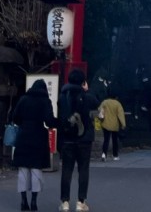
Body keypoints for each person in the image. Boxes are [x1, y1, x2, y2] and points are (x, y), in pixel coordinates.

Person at [11, 78, 58, 211]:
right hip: (38, 137)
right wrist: (61, 123)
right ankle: (34, 201)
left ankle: (23, 200)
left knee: (23, 170)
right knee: (36, 170)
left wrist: (24, 124)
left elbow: (15, 117)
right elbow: (49, 121)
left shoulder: (23, 99)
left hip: (23, 135)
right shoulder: (45, 101)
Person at [58, 68, 100, 212]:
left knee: (67, 170)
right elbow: (97, 108)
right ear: (83, 82)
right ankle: (81, 202)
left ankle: (64, 202)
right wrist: (87, 90)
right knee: (83, 169)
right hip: (84, 139)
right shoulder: (87, 96)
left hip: (67, 138)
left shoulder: (63, 96)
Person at [98, 89, 127, 161]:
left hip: (105, 123)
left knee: (106, 140)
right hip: (115, 124)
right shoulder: (117, 104)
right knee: (115, 141)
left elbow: (99, 109)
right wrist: (123, 124)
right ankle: (115, 155)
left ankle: (104, 154)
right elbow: (120, 115)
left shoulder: (105, 102)